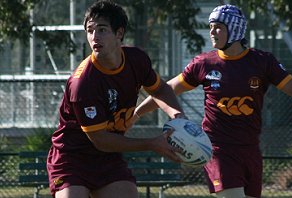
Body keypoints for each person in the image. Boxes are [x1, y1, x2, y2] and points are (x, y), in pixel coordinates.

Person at [134, 4, 292, 198]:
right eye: (210, 26)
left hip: (251, 150)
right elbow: (165, 91)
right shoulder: (203, 64)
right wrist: (136, 113)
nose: (211, 32)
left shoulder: (262, 62)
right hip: (217, 150)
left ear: (235, 29)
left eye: (218, 27)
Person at [46, 1, 187, 197]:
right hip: (72, 159)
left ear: (119, 33)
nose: (95, 36)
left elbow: (160, 89)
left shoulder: (136, 60)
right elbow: (101, 140)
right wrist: (152, 143)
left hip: (108, 159)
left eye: (102, 29)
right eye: (90, 30)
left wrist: (176, 114)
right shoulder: (83, 83)